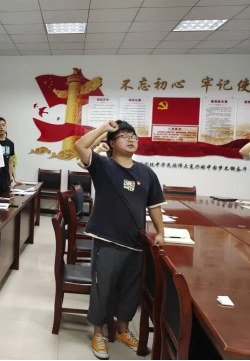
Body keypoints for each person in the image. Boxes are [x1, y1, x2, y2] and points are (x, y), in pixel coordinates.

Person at [75, 120, 166, 360]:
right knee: (102, 289)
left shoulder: (146, 172)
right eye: (125, 136)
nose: (131, 140)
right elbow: (81, 146)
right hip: (108, 240)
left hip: (136, 242)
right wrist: (103, 129)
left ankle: (122, 329)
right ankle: (98, 333)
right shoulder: (103, 165)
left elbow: (155, 205)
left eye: (134, 136)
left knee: (130, 290)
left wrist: (160, 232)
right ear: (112, 143)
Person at [0, 118, 21, 194]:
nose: (1, 127)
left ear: (6, 127)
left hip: (5, 176)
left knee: (5, 196)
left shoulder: (10, 143)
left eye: (3, 125)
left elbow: (10, 162)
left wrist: (10, 177)